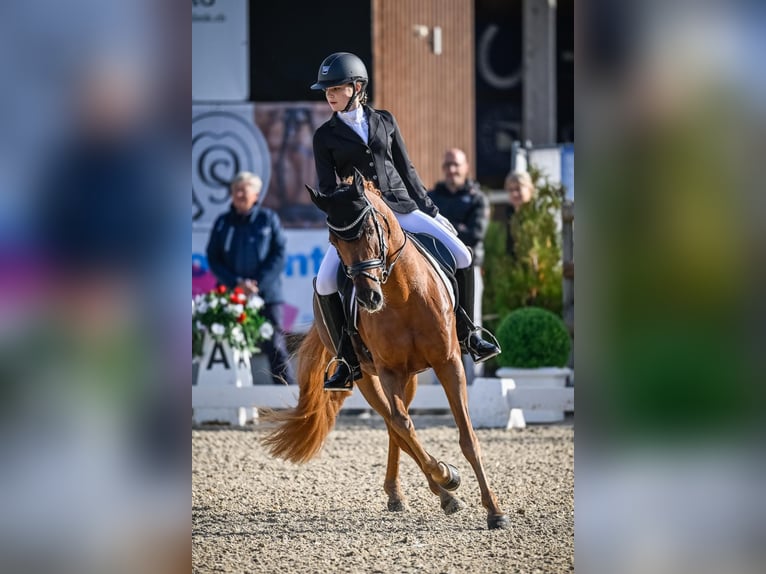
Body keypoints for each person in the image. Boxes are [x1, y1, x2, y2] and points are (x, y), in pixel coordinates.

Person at [309, 52, 500, 392]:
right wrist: (345, 212)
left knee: (463, 255)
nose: (329, 95)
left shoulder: (384, 120)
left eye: (336, 88)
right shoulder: (324, 136)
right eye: (326, 90)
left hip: (400, 208)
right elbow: (326, 188)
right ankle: (345, 360)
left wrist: (435, 213)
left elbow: (408, 170)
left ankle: (469, 333)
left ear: (357, 87)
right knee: (324, 282)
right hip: (360, 220)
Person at [206, 171, 296, 386]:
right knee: (228, 344)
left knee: (275, 345)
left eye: (243, 190)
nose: (238, 194)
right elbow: (213, 257)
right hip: (230, 295)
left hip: (267, 295)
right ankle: (226, 396)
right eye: (235, 190)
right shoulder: (222, 223)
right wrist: (236, 283)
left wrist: (256, 284)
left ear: (256, 195)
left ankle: (290, 397)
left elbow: (279, 254)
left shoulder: (268, 219)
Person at [428, 148, 491, 376]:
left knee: (472, 324)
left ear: (466, 168)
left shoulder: (478, 197)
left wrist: (443, 228)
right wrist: (457, 228)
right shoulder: (431, 198)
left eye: (456, 165)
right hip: (437, 270)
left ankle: (475, 382)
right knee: (438, 326)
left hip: (468, 271)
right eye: (447, 165)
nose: (451, 170)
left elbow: (474, 235)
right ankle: (442, 387)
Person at [504, 170, 535, 258]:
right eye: (510, 190)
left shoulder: (537, 214)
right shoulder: (509, 214)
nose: (514, 193)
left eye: (518, 189)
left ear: (530, 189)